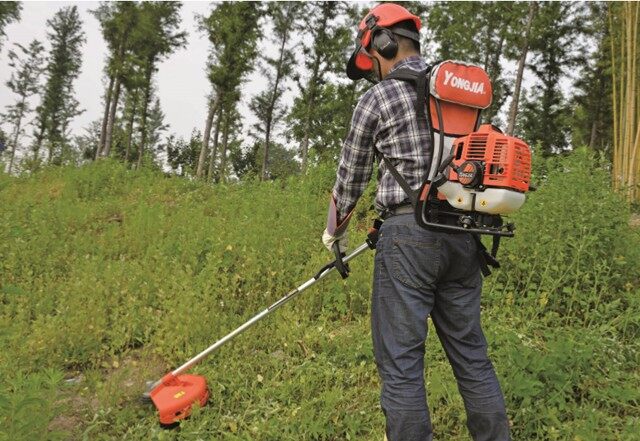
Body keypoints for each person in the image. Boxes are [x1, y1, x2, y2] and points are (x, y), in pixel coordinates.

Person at [322, 4, 511, 441]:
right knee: (472, 356)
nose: (374, 71)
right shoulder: (458, 98)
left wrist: (335, 231)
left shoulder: (379, 97)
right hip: (465, 235)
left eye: (373, 58)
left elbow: (350, 178)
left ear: (382, 43)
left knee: (402, 364)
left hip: (409, 238)